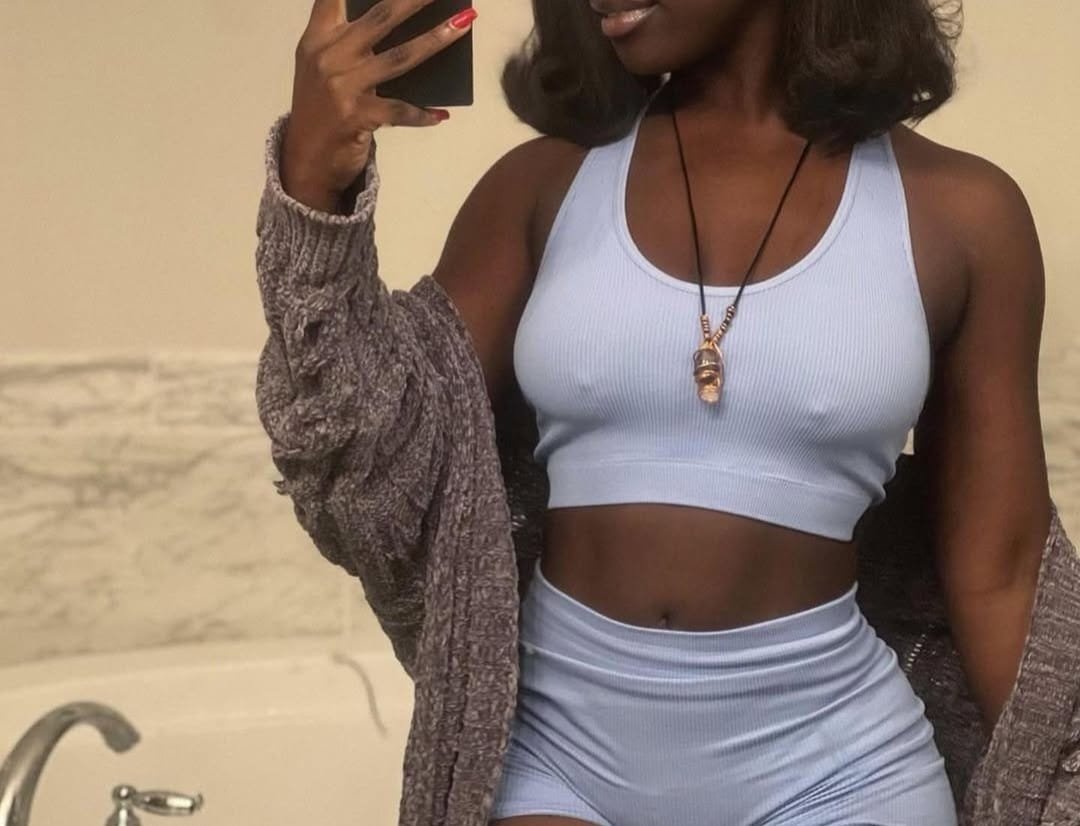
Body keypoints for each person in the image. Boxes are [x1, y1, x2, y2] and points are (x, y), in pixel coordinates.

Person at [275, 1, 1053, 824]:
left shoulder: (961, 212)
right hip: (555, 760)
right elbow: (373, 474)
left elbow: (1001, 572)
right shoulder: (543, 183)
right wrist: (313, 187)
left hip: (841, 774)